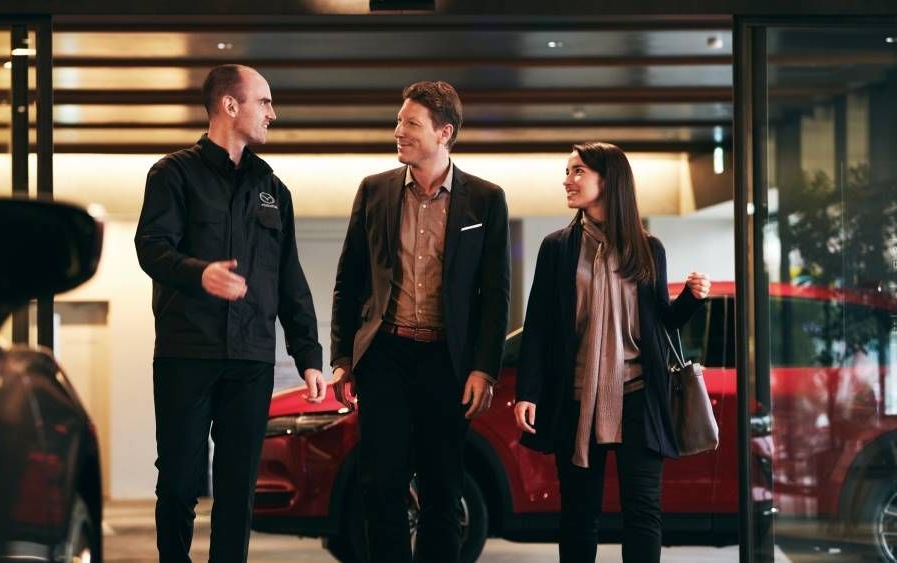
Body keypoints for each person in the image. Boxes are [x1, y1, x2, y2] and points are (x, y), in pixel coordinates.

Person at [135, 64, 327, 563]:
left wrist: (308, 354)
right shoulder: (173, 174)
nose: (272, 112)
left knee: (238, 489)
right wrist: (200, 273)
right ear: (230, 105)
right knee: (178, 482)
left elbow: (290, 279)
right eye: (264, 101)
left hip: (252, 358)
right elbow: (151, 248)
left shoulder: (272, 188)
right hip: (187, 352)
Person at [330, 81, 510, 562]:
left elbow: (496, 295)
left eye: (410, 123)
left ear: (444, 132)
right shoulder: (374, 191)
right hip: (384, 356)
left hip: (446, 363)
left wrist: (483, 368)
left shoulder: (486, 200)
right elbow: (349, 281)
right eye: (398, 121)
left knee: (442, 491)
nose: (398, 131)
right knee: (381, 488)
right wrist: (344, 357)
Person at [513, 142, 711, 563]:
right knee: (578, 515)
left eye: (578, 171)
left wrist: (692, 299)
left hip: (639, 396)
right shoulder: (558, 249)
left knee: (643, 512)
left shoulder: (647, 248)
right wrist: (528, 391)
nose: (567, 180)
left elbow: (661, 322)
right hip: (576, 398)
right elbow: (539, 327)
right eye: (568, 171)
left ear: (609, 181)